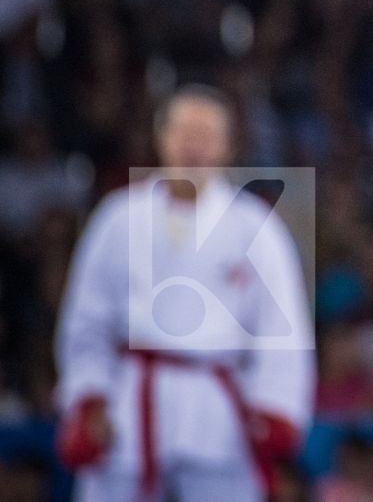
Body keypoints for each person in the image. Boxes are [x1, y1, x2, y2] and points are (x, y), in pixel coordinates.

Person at [53, 84, 315, 502]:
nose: (195, 148)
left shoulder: (255, 227)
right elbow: (87, 321)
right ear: (161, 139)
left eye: (207, 136)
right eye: (184, 134)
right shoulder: (117, 218)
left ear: (229, 146)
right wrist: (88, 396)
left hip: (219, 418)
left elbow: (282, 331)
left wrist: (276, 410)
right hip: (127, 407)